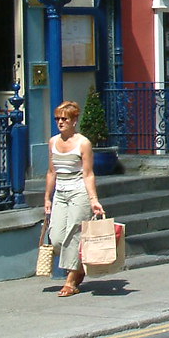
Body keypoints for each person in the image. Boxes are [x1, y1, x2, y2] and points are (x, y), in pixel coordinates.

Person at [44, 100, 105, 297]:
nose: (60, 122)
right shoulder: (53, 142)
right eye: (57, 119)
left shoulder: (83, 143)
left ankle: (71, 281)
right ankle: (78, 269)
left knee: (74, 234)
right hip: (60, 192)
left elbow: (88, 174)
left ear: (74, 120)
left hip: (79, 191)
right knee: (56, 238)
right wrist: (47, 198)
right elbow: (51, 172)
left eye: (64, 119)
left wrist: (93, 199)